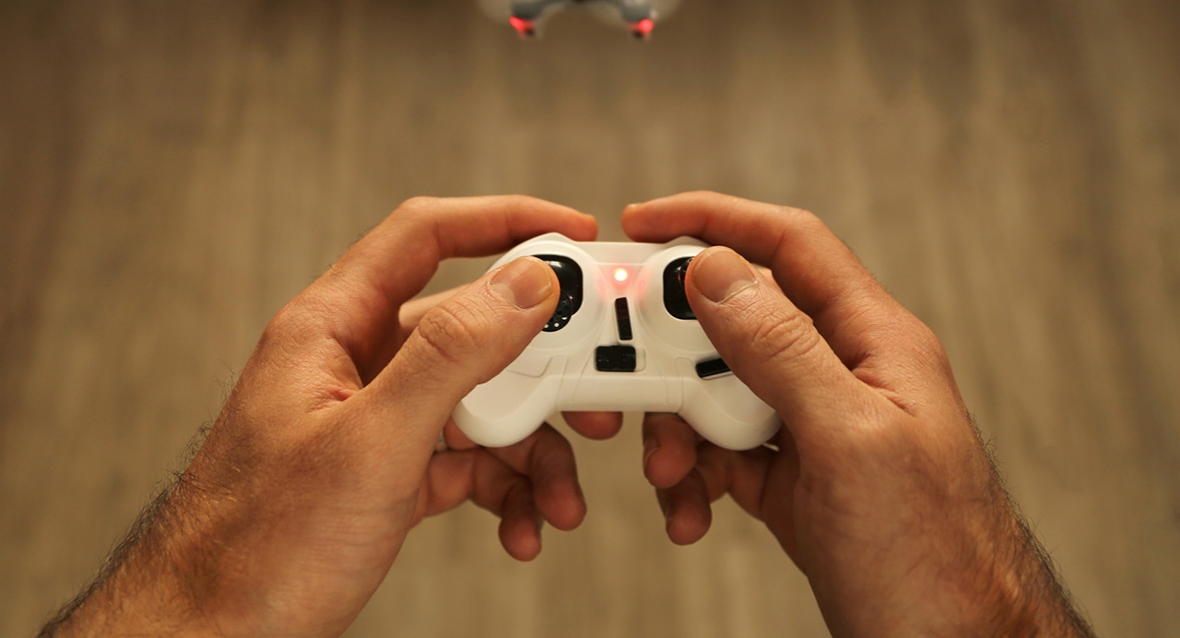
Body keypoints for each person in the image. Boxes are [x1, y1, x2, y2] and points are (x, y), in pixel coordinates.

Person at [40, 193, 1096, 637]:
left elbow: (503, 403)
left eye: (674, 292)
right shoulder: (701, 383)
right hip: (661, 382)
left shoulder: (532, 365)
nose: (627, 296)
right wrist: (976, 610)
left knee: (541, 413)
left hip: (571, 379)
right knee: (711, 417)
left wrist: (202, 601)